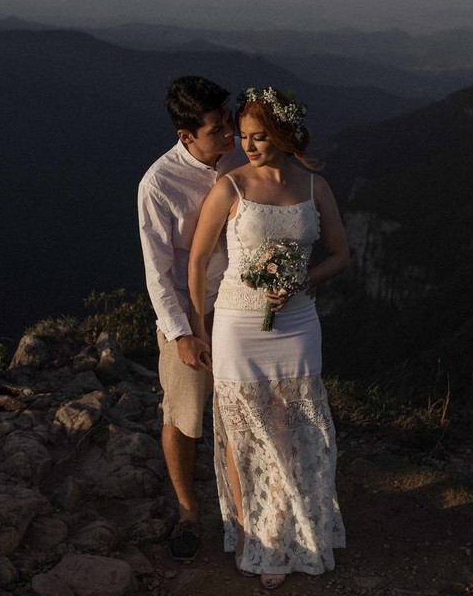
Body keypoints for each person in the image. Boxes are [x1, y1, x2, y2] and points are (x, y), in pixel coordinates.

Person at [187, 86, 348, 590]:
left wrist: (302, 280)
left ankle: (298, 535)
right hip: (237, 326)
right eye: (244, 137)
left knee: (297, 433)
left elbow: (341, 256)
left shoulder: (315, 186)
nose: (248, 146)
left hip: (298, 324)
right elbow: (196, 262)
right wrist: (198, 327)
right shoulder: (229, 188)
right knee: (245, 437)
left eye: (259, 138)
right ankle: (257, 540)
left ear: (282, 135)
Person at [137, 75, 239, 561]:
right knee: (183, 412)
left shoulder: (240, 159)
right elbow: (157, 272)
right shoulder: (158, 184)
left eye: (230, 123)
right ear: (186, 136)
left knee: (242, 409)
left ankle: (245, 508)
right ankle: (187, 511)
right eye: (218, 129)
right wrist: (179, 333)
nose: (230, 136)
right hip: (189, 311)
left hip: (240, 309)